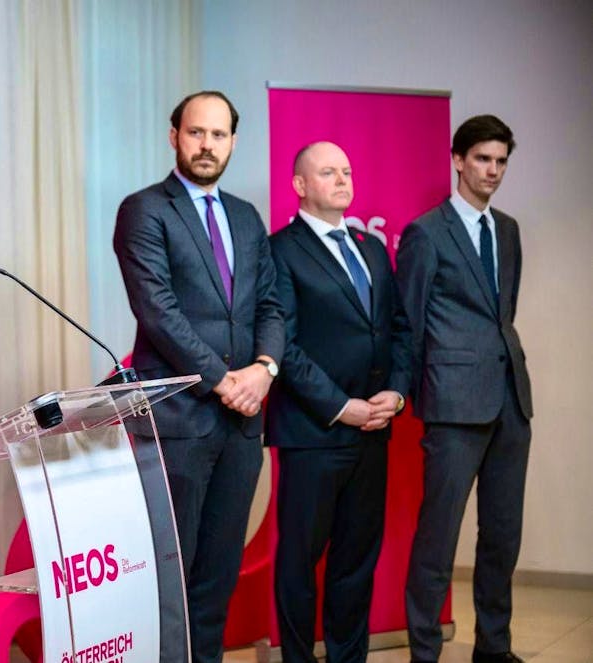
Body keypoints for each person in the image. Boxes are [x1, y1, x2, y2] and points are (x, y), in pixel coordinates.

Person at [113, 90, 284, 663]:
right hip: (180, 419)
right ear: (174, 137)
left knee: (218, 575)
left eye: (218, 135)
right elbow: (157, 310)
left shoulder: (246, 216)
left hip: (242, 424)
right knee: (170, 578)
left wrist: (264, 369)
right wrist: (224, 380)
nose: (207, 144)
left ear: (233, 142)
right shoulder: (145, 209)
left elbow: (270, 304)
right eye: (196, 133)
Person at [266, 142, 411, 662]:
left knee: (356, 560)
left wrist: (395, 393)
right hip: (314, 432)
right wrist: (340, 406)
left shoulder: (372, 248)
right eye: (328, 172)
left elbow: (397, 329)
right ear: (301, 186)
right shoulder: (279, 250)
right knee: (300, 564)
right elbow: (285, 344)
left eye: (347, 171)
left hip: (374, 427)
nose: (342, 180)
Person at [397, 115, 532, 663]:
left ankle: (493, 649)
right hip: (453, 405)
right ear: (458, 160)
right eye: (482, 159)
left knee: (502, 537)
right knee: (438, 540)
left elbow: (504, 313)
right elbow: (408, 322)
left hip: (510, 402)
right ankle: (424, 653)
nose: (493, 171)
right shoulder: (426, 233)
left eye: (501, 161)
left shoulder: (509, 230)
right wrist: (403, 393)